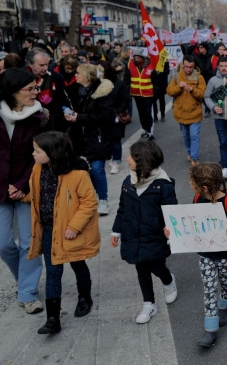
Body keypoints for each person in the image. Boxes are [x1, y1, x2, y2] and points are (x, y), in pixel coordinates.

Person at [26, 132, 100, 334]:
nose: (33, 154)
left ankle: (84, 297)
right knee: (52, 273)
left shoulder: (78, 175)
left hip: (70, 232)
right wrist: (23, 195)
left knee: (78, 263)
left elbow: (89, 202)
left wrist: (73, 226)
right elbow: (36, 194)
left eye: (37, 151)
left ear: (53, 152)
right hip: (49, 230)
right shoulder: (38, 169)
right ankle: (52, 319)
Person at [166, 163, 227, 347]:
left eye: (192, 182)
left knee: (225, 282)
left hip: (226, 254)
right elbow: (189, 225)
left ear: (203, 187)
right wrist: (173, 232)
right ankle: (210, 329)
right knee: (209, 290)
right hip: (205, 255)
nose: (190, 185)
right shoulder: (197, 199)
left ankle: (225, 304)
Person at [0, 68, 52, 314]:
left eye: (36, 87)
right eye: (30, 89)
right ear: (12, 91)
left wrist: (20, 185)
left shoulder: (40, 116)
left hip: (27, 187)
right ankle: (23, 279)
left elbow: (40, 156)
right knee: (3, 244)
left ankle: (29, 293)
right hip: (0, 189)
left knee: (29, 242)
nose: (35, 93)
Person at [111, 140, 178, 324]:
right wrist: (116, 231)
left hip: (155, 236)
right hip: (133, 236)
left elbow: (172, 212)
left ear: (143, 161)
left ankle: (168, 281)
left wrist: (172, 233)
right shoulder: (128, 181)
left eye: (131, 156)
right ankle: (149, 304)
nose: (127, 159)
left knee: (157, 267)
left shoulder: (163, 185)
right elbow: (122, 208)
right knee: (141, 269)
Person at [64, 64, 114, 215]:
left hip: (98, 137)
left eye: (78, 73)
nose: (75, 75)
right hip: (79, 137)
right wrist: (70, 113)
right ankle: (92, 196)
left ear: (86, 76)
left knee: (98, 169)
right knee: (84, 169)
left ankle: (103, 200)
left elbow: (105, 117)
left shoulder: (102, 92)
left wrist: (79, 117)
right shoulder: (74, 91)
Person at [166, 55, 207, 167]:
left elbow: (203, 93)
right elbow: (169, 91)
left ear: (194, 66)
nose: (188, 69)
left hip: (194, 112)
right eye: (186, 67)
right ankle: (190, 152)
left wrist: (192, 89)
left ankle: (194, 157)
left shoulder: (199, 77)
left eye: (191, 67)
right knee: (185, 136)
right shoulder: (176, 76)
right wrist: (179, 87)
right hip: (181, 113)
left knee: (194, 136)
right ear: (182, 65)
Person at [97, 61, 131, 175]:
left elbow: (125, 99)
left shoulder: (119, 84)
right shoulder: (98, 83)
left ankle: (116, 161)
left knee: (116, 140)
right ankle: (111, 158)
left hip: (115, 116)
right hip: (103, 116)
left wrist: (119, 112)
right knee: (106, 139)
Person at [25, 48, 67, 131]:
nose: (45, 68)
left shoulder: (56, 78)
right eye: (41, 65)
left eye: (47, 64)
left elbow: (62, 99)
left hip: (53, 122)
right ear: (30, 64)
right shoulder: (21, 78)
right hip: (29, 122)